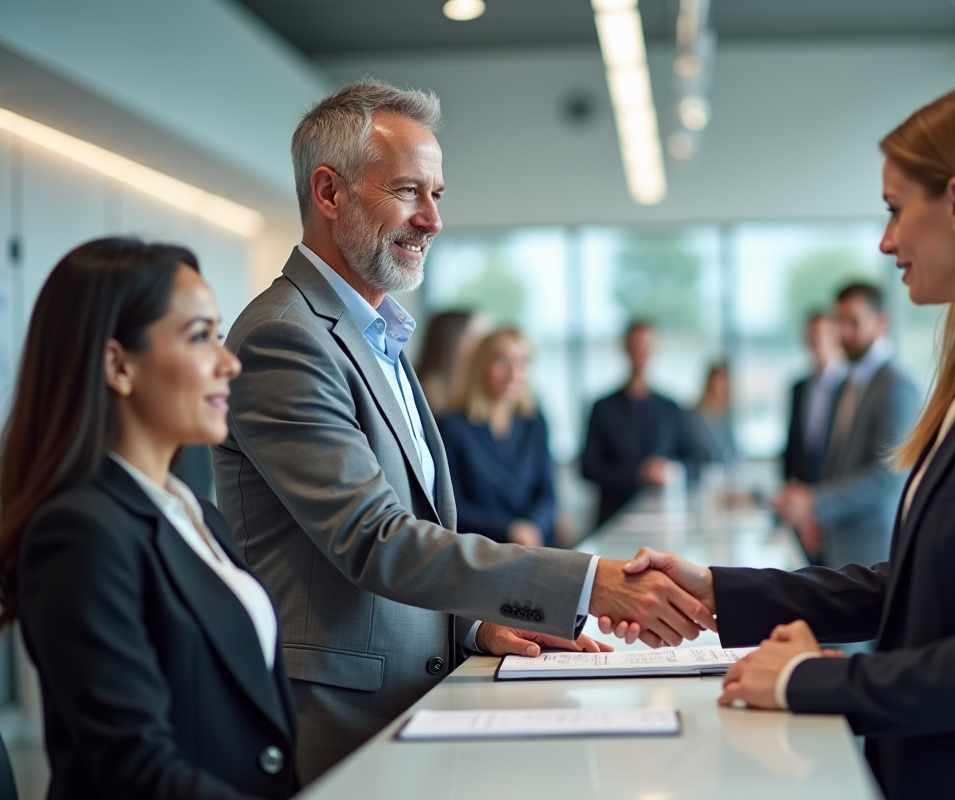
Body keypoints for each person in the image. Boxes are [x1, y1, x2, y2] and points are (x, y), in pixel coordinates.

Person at [603, 82, 955, 800]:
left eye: (897, 210)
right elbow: (910, 584)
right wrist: (718, 590)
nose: (886, 240)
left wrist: (812, 677)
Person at [212, 79, 713, 781]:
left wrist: (476, 625)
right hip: (337, 722)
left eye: (437, 195)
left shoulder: (376, 334)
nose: (433, 221)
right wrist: (587, 585)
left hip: (413, 702)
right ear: (329, 194)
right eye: (409, 191)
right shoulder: (284, 338)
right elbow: (374, 540)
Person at [0, 238, 298, 799]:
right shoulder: (79, 531)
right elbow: (137, 770)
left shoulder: (194, 513)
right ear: (118, 364)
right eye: (200, 336)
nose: (229, 361)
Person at [773, 284, 918, 568]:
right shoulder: (849, 383)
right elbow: (837, 462)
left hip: (874, 548)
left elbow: (886, 475)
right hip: (838, 543)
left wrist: (815, 503)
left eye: (853, 322)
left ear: (881, 322)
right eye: (840, 322)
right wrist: (818, 517)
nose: (844, 333)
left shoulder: (896, 386)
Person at [437, 328, 556, 548]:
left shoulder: (534, 420)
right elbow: (453, 507)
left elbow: (547, 494)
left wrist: (533, 527)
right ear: (482, 367)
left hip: (536, 547)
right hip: (484, 551)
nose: (514, 373)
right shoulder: (452, 428)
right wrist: (511, 529)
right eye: (503, 361)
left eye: (522, 362)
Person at [581, 321, 705, 524]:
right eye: (635, 345)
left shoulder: (671, 408)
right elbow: (589, 468)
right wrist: (638, 473)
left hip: (664, 517)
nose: (641, 352)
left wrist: (672, 470)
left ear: (656, 350)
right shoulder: (603, 407)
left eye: (647, 346)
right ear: (624, 349)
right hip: (616, 517)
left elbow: (695, 461)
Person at [780, 311, 845, 563]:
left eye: (823, 335)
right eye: (811, 336)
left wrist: (817, 511)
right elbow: (791, 448)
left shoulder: (850, 388)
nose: (817, 342)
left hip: (831, 503)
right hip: (799, 505)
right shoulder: (798, 387)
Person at [415, 310, 489, 415]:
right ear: (453, 340)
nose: (484, 346)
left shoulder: (469, 383)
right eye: (475, 337)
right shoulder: (428, 391)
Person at [689, 362, 736, 464]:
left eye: (724, 382)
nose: (720, 387)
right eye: (718, 382)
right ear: (709, 383)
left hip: (723, 475)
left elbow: (733, 451)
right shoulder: (692, 418)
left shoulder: (725, 419)